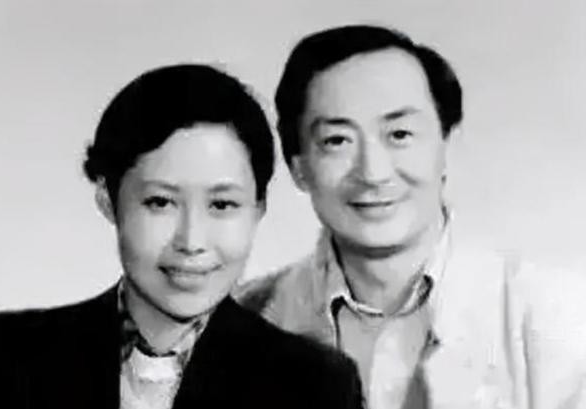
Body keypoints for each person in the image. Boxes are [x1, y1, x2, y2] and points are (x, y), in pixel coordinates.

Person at [0, 64, 363, 409]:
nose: (191, 241)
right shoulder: (10, 358)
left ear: (258, 209)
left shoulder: (315, 385)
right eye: (160, 202)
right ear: (108, 200)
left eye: (222, 205)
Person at [236, 25, 586, 409]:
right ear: (298, 168)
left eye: (399, 134)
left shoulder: (556, 316)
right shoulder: (245, 316)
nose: (373, 173)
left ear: (445, 145)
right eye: (337, 141)